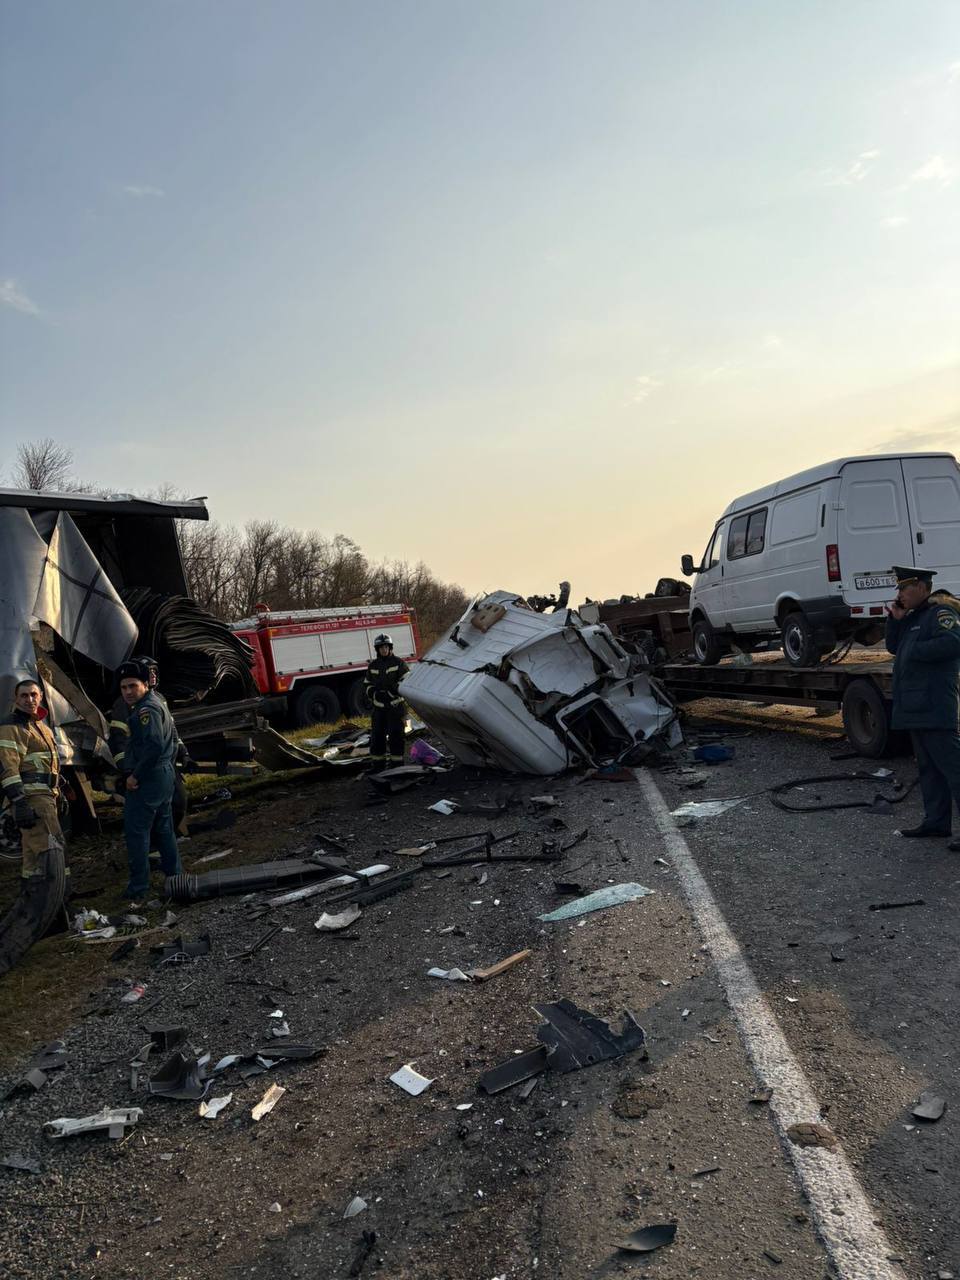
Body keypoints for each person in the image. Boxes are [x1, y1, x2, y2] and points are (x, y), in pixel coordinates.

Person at [885, 566, 960, 850]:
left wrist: (913, 652)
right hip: (916, 706)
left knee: (954, 769)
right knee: (929, 770)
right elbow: (893, 647)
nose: (901, 594)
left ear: (922, 587)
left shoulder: (941, 612)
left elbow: (953, 643)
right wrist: (896, 619)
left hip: (934, 705)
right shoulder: (914, 617)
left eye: (905, 588)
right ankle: (936, 823)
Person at [117, 658, 182, 898]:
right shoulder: (156, 702)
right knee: (163, 828)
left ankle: (138, 889)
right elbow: (173, 739)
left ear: (145, 684)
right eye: (124, 688)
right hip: (163, 774)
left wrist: (135, 775)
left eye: (133, 686)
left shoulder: (146, 710)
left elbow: (154, 745)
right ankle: (175, 876)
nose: (128, 692)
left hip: (149, 778)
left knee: (137, 832)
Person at [109, 654, 190, 833]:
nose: (153, 675)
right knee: (150, 812)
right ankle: (156, 849)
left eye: (155, 670)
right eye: (149, 671)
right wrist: (127, 769)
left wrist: (182, 750)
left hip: (164, 764)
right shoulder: (124, 705)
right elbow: (118, 740)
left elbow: (170, 728)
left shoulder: (158, 698)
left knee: (178, 801)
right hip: (143, 766)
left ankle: (168, 840)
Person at [0, 678, 64, 890]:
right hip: (33, 799)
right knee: (51, 849)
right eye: (24, 695)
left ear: (41, 696)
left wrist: (59, 791)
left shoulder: (38, 724)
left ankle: (33, 898)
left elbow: (48, 762)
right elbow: (8, 767)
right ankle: (57, 900)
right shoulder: (12, 726)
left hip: (47, 795)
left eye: (34, 695)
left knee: (33, 854)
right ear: (15, 699)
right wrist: (19, 802)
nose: (30, 699)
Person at [363, 633, 409, 766]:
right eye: (381, 647)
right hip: (379, 709)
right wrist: (374, 694)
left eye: (386, 647)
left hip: (395, 707)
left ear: (390, 647)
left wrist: (391, 692)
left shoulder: (399, 663)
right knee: (377, 737)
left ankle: (397, 764)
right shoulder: (373, 666)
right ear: (377, 649)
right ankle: (378, 764)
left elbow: (406, 682)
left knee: (396, 736)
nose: (384, 649)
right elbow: (367, 684)